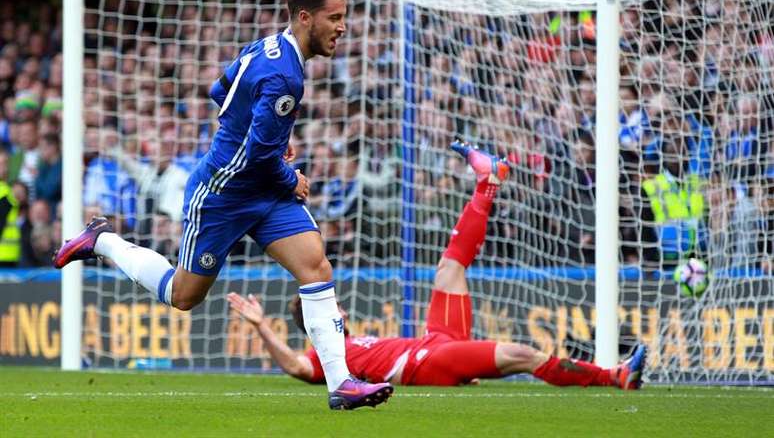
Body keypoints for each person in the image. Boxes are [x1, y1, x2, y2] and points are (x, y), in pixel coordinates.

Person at [53, 0, 392, 410]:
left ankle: (341, 383)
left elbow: (220, 90)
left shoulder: (266, 47)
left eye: (344, 17)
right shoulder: (285, 75)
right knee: (184, 296)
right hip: (223, 193)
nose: (343, 27)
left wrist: (265, 133)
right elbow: (257, 157)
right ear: (305, 17)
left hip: (264, 194)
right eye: (335, 17)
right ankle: (101, 239)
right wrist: (293, 179)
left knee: (315, 267)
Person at [229, 141, 647, 389]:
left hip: (436, 340)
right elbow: (296, 367)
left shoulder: (355, 344)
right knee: (522, 353)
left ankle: (488, 181)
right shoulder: (325, 353)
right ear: (319, 320)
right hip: (428, 362)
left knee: (448, 269)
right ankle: (614, 377)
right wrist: (262, 326)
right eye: (330, 306)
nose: (338, 307)